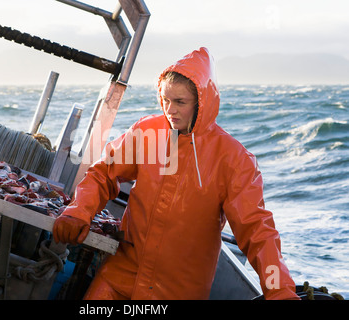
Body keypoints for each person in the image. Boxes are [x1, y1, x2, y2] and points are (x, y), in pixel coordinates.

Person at [53, 47, 300, 300]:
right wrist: (78, 211)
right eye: (165, 100)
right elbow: (103, 173)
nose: (170, 110)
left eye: (180, 102)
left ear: (202, 103)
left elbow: (257, 231)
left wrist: (279, 290)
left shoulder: (233, 160)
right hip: (119, 280)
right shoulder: (147, 133)